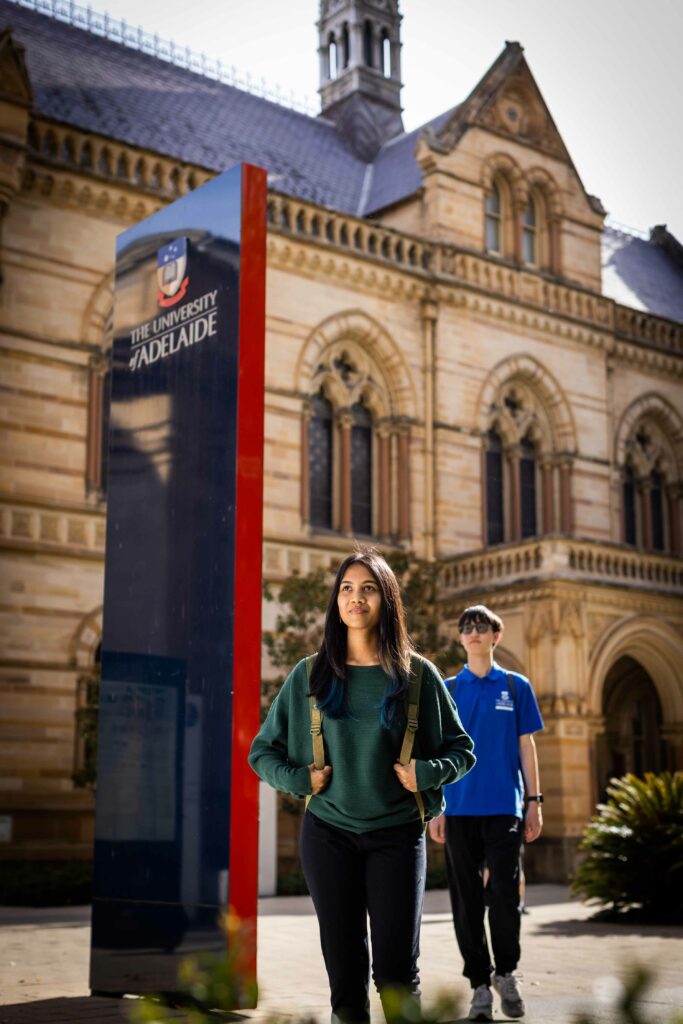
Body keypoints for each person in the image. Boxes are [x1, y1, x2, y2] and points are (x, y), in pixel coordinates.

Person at [249, 549, 475, 1024]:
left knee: (396, 974)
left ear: (386, 599)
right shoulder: (310, 674)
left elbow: (462, 750)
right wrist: (298, 780)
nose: (356, 598)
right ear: (335, 602)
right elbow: (261, 753)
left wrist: (426, 774)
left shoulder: (418, 676)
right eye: (347, 589)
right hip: (327, 835)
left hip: (397, 833)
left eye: (368, 588)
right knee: (345, 982)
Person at [428, 604, 544, 1022]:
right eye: (466, 627)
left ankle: (506, 973)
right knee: (466, 902)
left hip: (505, 809)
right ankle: (479, 985)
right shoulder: (448, 688)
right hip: (457, 810)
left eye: (482, 626)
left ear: (497, 634)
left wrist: (534, 802)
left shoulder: (515, 687)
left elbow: (526, 748)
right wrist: (435, 807)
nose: (473, 632)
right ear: (460, 637)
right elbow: (437, 752)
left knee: (504, 899)